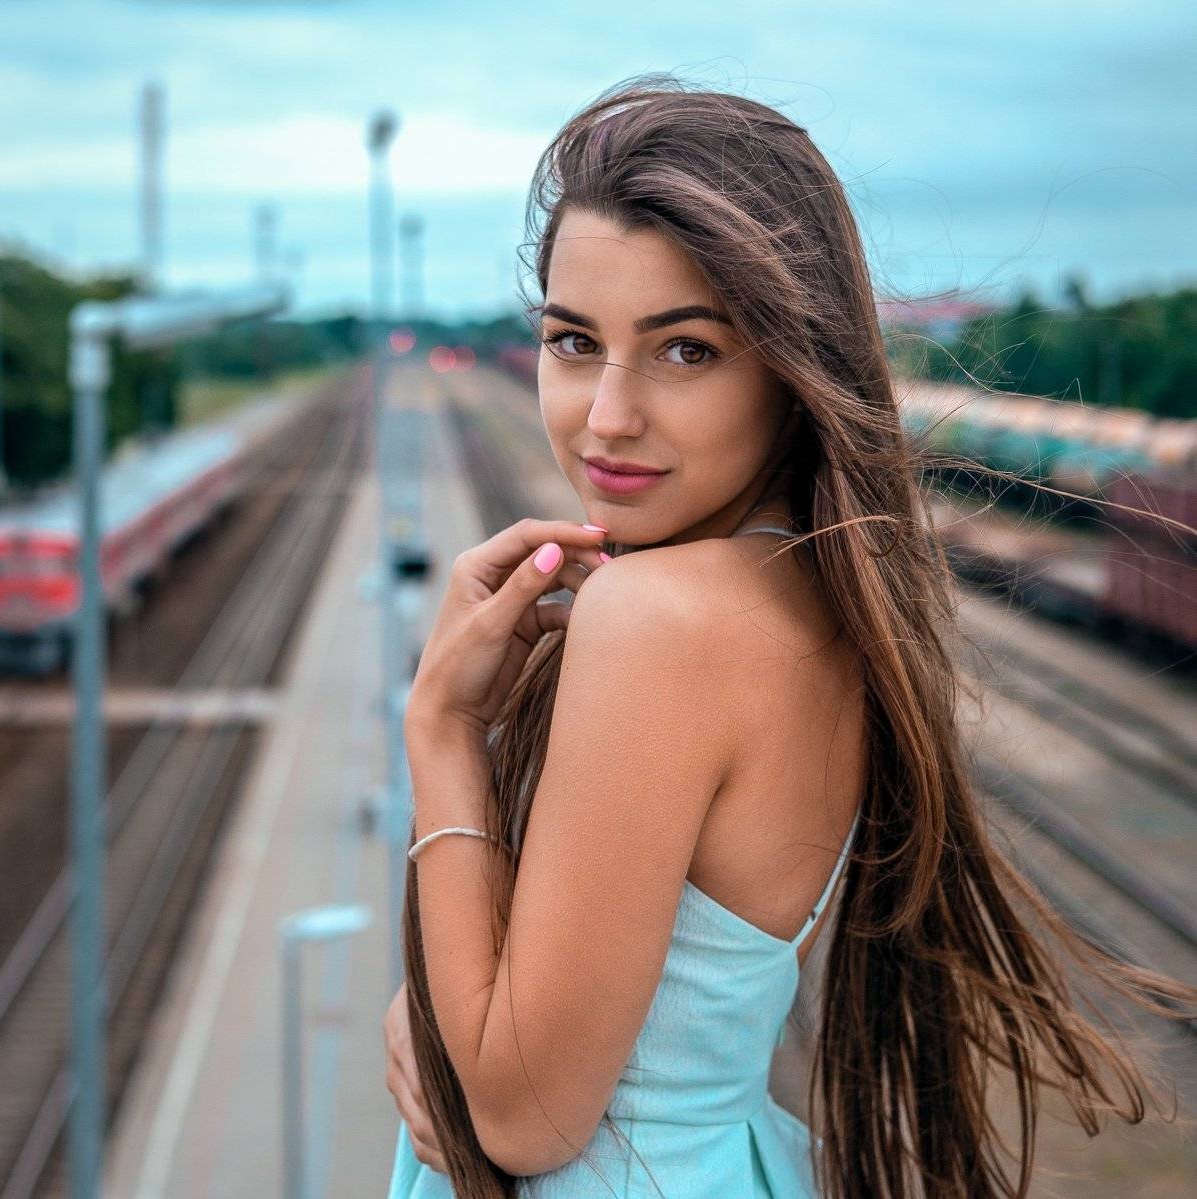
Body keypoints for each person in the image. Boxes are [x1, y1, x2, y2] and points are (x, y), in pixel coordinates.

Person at [382, 75, 1196, 1198]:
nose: (606, 415)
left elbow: (523, 1113)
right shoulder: (814, 597)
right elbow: (628, 1002)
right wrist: (444, 1001)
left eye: (686, 351)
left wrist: (439, 727)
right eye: (573, 341)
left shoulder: (658, 619)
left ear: (790, 363)